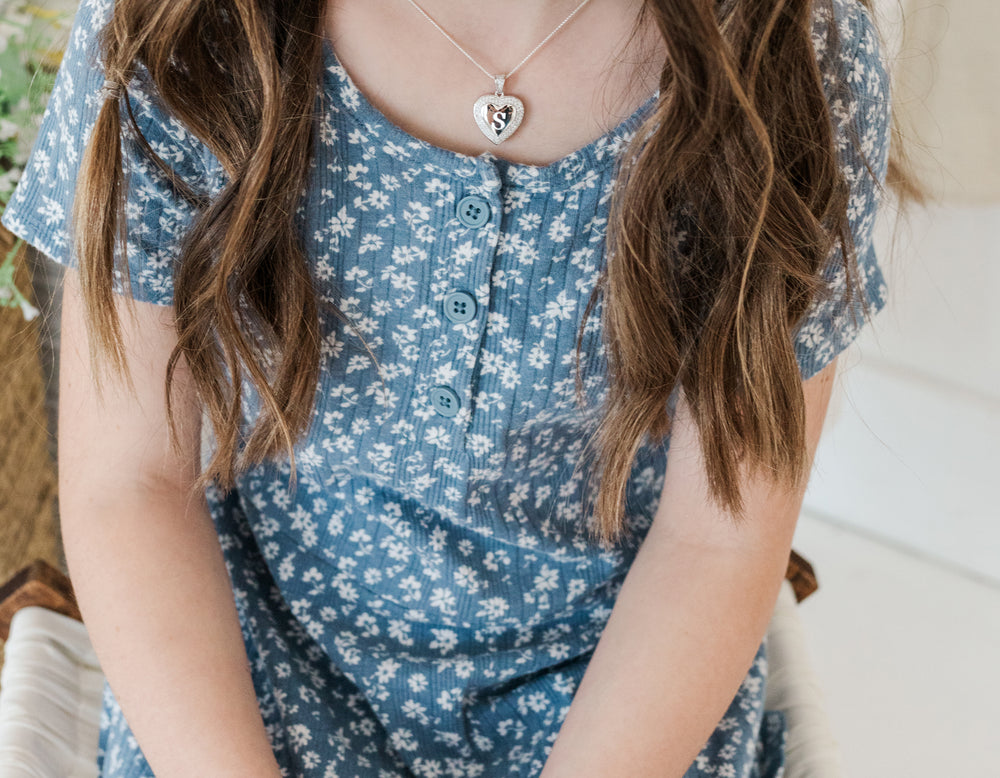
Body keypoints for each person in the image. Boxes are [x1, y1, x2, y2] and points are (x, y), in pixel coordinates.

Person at [0, 0, 905, 775]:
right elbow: (129, 484)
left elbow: (718, 543)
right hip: (246, 671)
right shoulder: (185, 28)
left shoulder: (793, 52)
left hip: (619, 694)